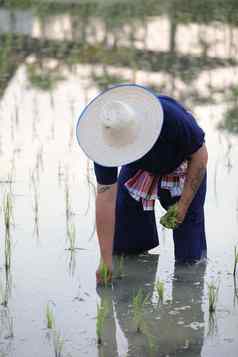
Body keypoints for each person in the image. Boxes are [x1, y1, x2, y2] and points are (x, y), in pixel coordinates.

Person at [76, 84, 208, 283]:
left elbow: (200, 155)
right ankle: (135, 290)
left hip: (182, 167)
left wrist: (182, 206)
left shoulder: (170, 118)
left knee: (190, 259)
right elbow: (105, 198)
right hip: (139, 168)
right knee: (125, 245)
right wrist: (105, 259)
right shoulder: (104, 140)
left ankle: (188, 288)